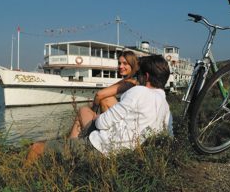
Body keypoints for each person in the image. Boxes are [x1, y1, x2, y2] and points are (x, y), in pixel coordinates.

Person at [26, 54, 172, 164]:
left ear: (146, 76)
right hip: (128, 153)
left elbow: (102, 124)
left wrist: (98, 118)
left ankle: (22, 181)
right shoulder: (165, 105)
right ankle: (70, 156)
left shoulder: (138, 91)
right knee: (83, 113)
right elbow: (168, 136)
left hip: (102, 149)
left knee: (36, 148)